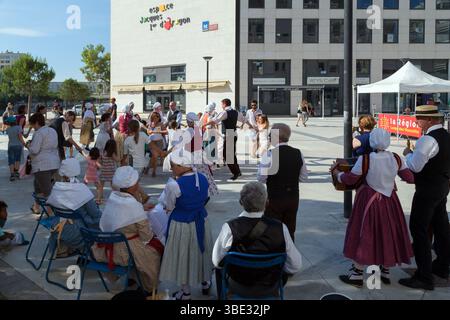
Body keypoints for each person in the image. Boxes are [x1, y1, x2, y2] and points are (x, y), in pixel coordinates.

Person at [331, 128, 414, 288]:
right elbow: (409, 178)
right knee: (388, 232)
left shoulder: (366, 159)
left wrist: (337, 173)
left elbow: (350, 178)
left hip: (368, 200)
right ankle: (385, 271)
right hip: (390, 200)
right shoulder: (396, 158)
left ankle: (357, 274)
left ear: (372, 141)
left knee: (364, 233)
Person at [212, 182, 302, 298]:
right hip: (269, 286)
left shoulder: (230, 227)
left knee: (219, 268)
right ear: (267, 203)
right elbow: (295, 265)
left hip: (238, 285)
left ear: (241, 202)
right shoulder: (280, 228)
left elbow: (216, 261)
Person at [399, 105, 450, 291]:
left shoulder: (427, 139)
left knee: (419, 230)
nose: (416, 121)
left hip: (426, 191)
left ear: (430, 120)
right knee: (441, 228)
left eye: (418, 118)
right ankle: (443, 267)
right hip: (442, 187)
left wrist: (408, 154)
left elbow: (415, 166)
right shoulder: (446, 135)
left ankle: (424, 276)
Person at [93, 166, 162, 293]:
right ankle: (149, 286)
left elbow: (115, 218)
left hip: (109, 249)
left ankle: (132, 278)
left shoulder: (113, 198)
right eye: (137, 181)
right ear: (132, 186)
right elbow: (146, 236)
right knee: (154, 252)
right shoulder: (133, 206)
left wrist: (141, 207)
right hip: (125, 252)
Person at [159, 151, 213, 300]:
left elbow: (169, 206)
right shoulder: (202, 178)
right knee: (201, 251)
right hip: (201, 220)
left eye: (173, 166)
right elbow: (206, 197)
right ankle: (206, 282)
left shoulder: (174, 185)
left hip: (182, 224)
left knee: (183, 255)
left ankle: (186, 292)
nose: (172, 169)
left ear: (181, 166)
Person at [258, 123, 308, 241]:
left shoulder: (269, 154)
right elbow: (303, 177)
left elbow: (261, 178)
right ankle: (289, 253)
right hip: (293, 196)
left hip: (274, 197)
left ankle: (275, 254)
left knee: (272, 228)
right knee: (290, 229)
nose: (269, 138)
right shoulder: (298, 153)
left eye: (270, 135)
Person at [46, 158, 102, 257]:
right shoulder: (81, 189)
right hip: (80, 233)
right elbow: (95, 214)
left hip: (58, 228)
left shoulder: (57, 188)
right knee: (101, 220)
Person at [26, 113, 60, 215]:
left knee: (47, 192)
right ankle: (36, 207)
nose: (33, 128)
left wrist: (28, 145)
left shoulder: (39, 133)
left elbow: (35, 150)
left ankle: (50, 214)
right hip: (54, 163)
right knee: (37, 185)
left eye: (32, 125)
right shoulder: (52, 131)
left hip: (42, 166)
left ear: (36, 123)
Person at [207, 99, 245, 181]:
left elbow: (215, 120)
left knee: (227, 155)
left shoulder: (225, 112)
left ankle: (236, 173)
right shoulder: (236, 112)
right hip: (234, 134)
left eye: (222, 104)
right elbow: (244, 120)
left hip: (228, 135)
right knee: (232, 154)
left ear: (224, 104)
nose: (221, 106)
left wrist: (204, 124)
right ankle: (238, 171)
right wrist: (239, 126)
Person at [98, 140, 119, 204]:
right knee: (113, 186)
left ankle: (99, 198)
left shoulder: (103, 152)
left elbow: (100, 162)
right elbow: (117, 160)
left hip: (104, 171)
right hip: (111, 172)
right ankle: (116, 197)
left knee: (101, 186)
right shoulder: (112, 153)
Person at [147, 112, 168, 177]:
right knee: (155, 156)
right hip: (152, 142)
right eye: (155, 117)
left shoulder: (161, 124)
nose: (156, 118)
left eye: (157, 117)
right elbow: (148, 132)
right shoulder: (150, 124)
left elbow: (166, 132)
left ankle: (148, 168)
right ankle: (153, 171)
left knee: (154, 157)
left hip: (159, 142)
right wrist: (149, 131)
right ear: (152, 118)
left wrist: (158, 131)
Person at [6, 116, 26, 181]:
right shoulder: (19, 127)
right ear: (15, 121)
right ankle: (16, 172)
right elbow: (20, 136)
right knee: (17, 159)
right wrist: (23, 142)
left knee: (11, 160)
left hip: (11, 146)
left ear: (9, 123)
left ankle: (12, 174)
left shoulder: (8, 129)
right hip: (18, 145)